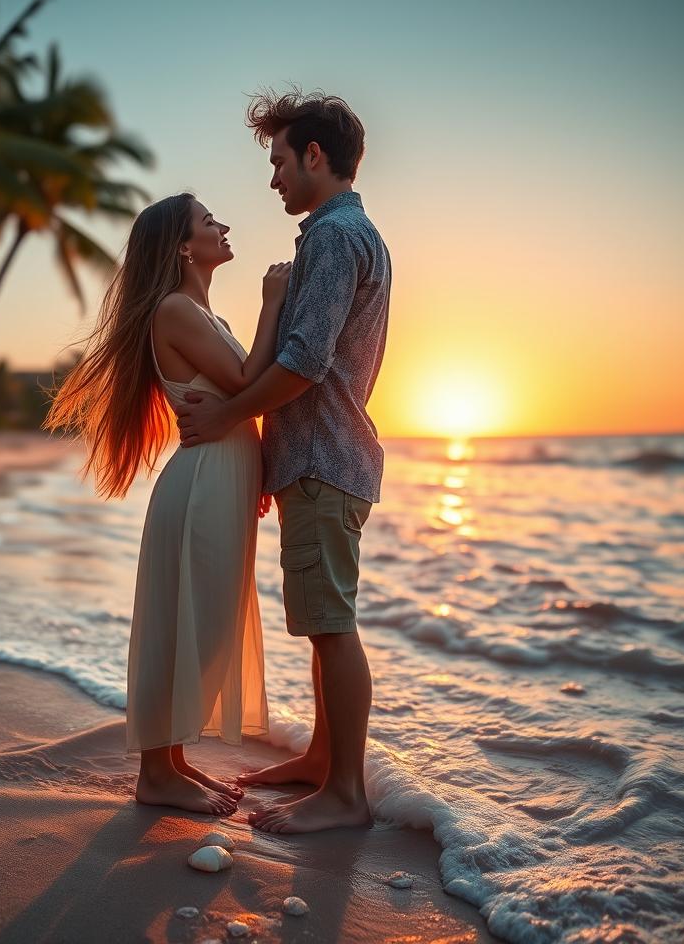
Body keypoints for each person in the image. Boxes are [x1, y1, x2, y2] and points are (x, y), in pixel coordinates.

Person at [175, 90, 392, 834]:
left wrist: (231, 415)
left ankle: (346, 795)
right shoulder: (339, 234)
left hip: (326, 456)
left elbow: (303, 363)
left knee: (332, 626)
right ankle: (321, 768)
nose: (272, 180)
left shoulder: (334, 237)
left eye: (278, 161)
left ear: (314, 156)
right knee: (324, 622)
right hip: (318, 456)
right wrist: (270, 456)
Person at [43, 193, 291, 815]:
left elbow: (239, 393)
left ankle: (173, 763)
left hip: (222, 477)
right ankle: (156, 774)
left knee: (200, 624)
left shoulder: (200, 313)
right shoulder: (176, 309)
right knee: (188, 622)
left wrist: (257, 472)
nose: (224, 225)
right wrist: (273, 303)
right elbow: (245, 385)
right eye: (209, 221)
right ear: (184, 247)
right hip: (203, 480)